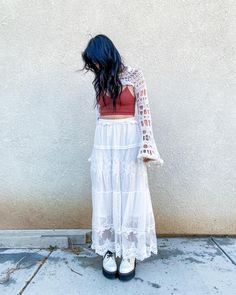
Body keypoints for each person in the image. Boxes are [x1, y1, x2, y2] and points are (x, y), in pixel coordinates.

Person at [81, 34, 164, 281]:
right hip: (104, 141)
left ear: (106, 54)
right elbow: (99, 116)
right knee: (105, 192)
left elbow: (145, 111)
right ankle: (108, 249)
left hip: (129, 138)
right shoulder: (100, 79)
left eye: (95, 61)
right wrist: (96, 153)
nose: (94, 66)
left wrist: (147, 145)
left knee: (131, 192)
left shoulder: (135, 75)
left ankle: (129, 252)